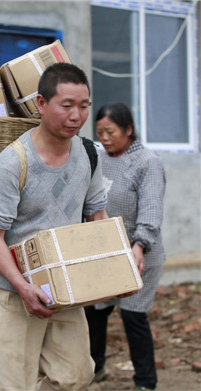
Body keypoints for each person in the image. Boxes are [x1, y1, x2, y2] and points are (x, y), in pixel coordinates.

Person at [0, 63, 108, 390]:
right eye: (66, 106)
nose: (77, 115)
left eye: (83, 106)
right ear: (41, 103)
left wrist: (114, 267)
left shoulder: (89, 154)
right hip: (11, 289)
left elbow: (98, 216)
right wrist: (23, 288)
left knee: (77, 376)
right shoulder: (12, 163)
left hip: (64, 283)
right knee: (16, 385)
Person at [85, 102, 166, 391]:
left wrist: (140, 244)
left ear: (128, 130)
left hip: (138, 253)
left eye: (110, 131)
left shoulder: (147, 162)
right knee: (94, 311)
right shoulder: (99, 157)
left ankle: (145, 381)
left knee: (133, 316)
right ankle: (95, 367)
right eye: (99, 132)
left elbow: (151, 207)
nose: (104, 138)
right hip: (107, 252)